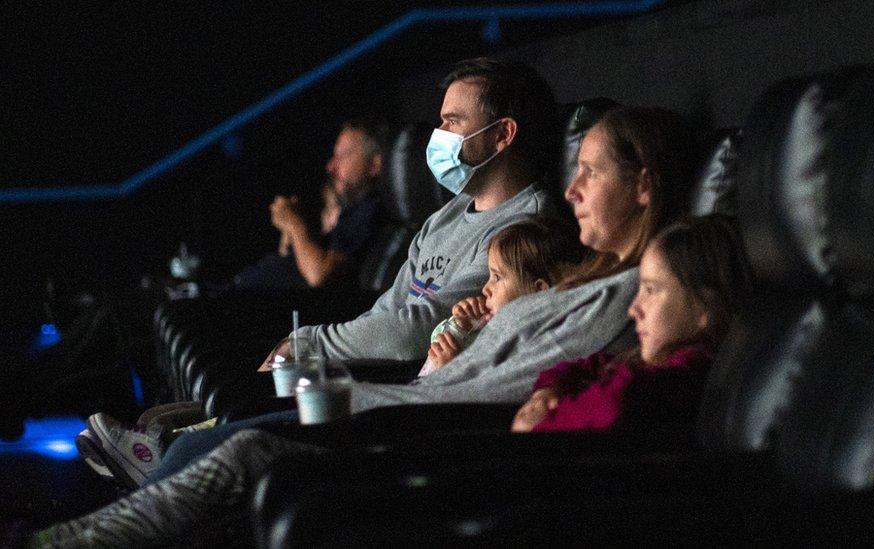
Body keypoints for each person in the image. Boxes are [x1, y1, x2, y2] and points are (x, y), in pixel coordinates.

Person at [28, 214, 748, 549]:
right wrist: (548, 384)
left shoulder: (665, 361)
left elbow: (604, 403)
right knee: (225, 445)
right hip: (449, 427)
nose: (574, 187)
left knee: (245, 456)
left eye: (591, 169)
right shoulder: (632, 334)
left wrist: (540, 404)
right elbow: (573, 372)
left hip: (470, 462)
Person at [78, 56, 565, 487]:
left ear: (503, 134)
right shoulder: (449, 213)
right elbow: (391, 305)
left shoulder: (524, 231)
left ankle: (157, 464)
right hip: (376, 367)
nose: (438, 139)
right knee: (194, 416)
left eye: (453, 122)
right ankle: (160, 451)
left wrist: (312, 344)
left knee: (196, 444)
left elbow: (411, 332)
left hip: (411, 391)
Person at [511, 214, 753, 432]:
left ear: (705, 308)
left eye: (650, 289)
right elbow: (584, 366)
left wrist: (540, 424)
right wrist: (548, 391)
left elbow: (614, 402)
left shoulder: (681, 377)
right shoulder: (653, 361)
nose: (634, 309)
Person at [232, 119, 387, 289]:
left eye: (342, 156)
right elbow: (289, 259)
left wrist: (295, 224)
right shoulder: (350, 213)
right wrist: (289, 229)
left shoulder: (369, 212)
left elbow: (319, 275)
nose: (330, 167)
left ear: (374, 164)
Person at [420, 217, 583, 376]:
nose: (485, 289)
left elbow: (491, 391)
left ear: (539, 291)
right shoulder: (487, 323)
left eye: (497, 277)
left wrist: (454, 371)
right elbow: (436, 341)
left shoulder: (531, 346)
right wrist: (460, 326)